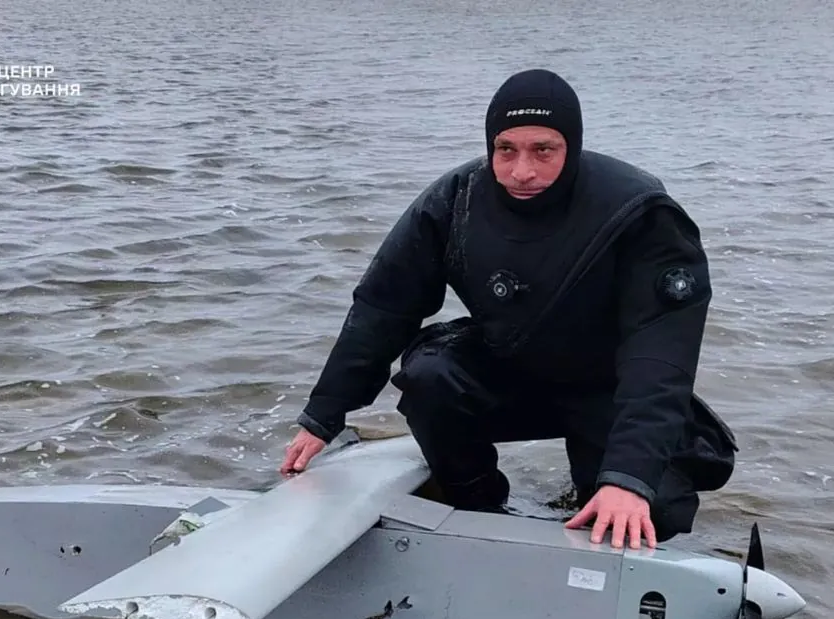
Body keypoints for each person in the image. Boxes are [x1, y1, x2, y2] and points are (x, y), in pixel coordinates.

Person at [278, 68, 738, 550]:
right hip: (511, 370)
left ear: (572, 147)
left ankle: (612, 487)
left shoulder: (640, 214)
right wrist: (323, 415)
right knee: (430, 374)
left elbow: (661, 358)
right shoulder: (455, 201)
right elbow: (381, 308)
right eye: (506, 150)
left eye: (543, 150)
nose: (522, 171)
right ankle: (476, 505)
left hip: (609, 387)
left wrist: (628, 479)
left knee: (651, 510)